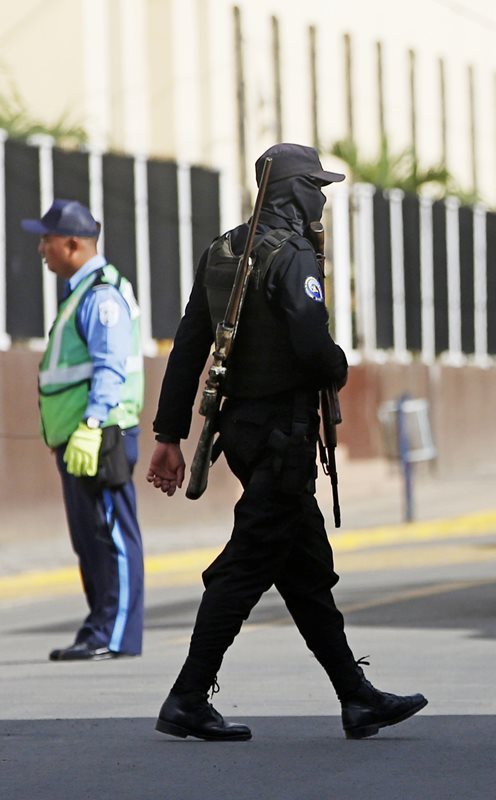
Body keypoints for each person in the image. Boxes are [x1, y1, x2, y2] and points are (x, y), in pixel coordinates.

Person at [145, 143, 427, 741]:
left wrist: (169, 433)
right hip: (282, 436)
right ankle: (187, 697)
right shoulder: (292, 255)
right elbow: (310, 344)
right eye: (315, 188)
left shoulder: (224, 251)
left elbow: (189, 346)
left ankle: (356, 698)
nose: (321, 199)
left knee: (302, 568)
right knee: (244, 567)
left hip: (245, 436)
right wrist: (338, 365)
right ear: (294, 193)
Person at [23, 199, 145, 662]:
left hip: (102, 433)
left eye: (46, 240)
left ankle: (115, 634)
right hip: (80, 437)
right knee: (90, 536)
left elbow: (110, 367)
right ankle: (99, 627)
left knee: (112, 533)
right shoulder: (82, 292)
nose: (41, 248)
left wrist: (93, 423)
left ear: (72, 244)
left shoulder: (101, 295)